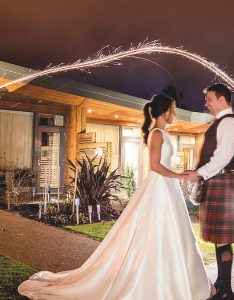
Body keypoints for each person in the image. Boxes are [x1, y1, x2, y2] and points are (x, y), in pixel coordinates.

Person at [18, 94, 211, 300]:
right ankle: (153, 280)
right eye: (172, 109)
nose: (174, 113)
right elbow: (155, 166)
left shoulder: (163, 133)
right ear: (164, 111)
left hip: (167, 188)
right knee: (155, 232)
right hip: (160, 188)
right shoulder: (156, 133)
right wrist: (181, 175)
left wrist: (180, 174)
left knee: (172, 233)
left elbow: (164, 165)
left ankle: (175, 280)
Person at [185, 83, 234, 300]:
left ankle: (226, 289)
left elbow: (221, 159)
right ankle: (222, 284)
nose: (205, 103)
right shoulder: (221, 123)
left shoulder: (229, 124)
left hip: (221, 182)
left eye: (209, 98)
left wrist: (198, 174)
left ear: (221, 100)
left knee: (223, 239)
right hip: (217, 183)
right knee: (221, 239)